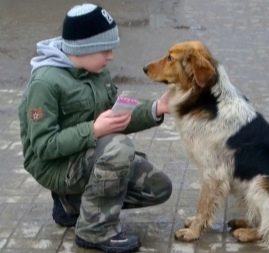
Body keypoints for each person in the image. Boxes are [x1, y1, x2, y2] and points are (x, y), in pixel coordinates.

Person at [18, 3, 172, 253]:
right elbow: (43, 147)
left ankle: (73, 205)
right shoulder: (45, 83)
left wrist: (157, 107)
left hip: (86, 155)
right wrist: (93, 130)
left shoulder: (96, 72)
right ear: (83, 47)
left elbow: (116, 117)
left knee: (158, 187)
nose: (110, 56)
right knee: (119, 147)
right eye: (104, 49)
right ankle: (94, 230)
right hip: (55, 166)